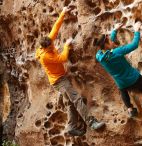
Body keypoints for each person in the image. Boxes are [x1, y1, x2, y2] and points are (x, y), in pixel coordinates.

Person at [35, 6, 105, 136]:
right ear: (45, 47)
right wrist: (66, 45)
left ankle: (71, 127)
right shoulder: (45, 56)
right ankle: (92, 122)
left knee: (70, 103)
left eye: (52, 44)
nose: (53, 46)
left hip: (60, 79)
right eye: (51, 46)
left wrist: (63, 13)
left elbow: (55, 28)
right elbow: (62, 58)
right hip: (60, 81)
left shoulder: (47, 42)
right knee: (77, 99)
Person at [95, 22, 142, 133]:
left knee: (122, 90)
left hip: (122, 83)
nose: (112, 41)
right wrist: (137, 30)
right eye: (110, 41)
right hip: (134, 79)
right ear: (106, 44)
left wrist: (114, 31)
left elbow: (106, 44)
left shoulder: (99, 56)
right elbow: (134, 45)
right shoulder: (117, 52)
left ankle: (130, 109)